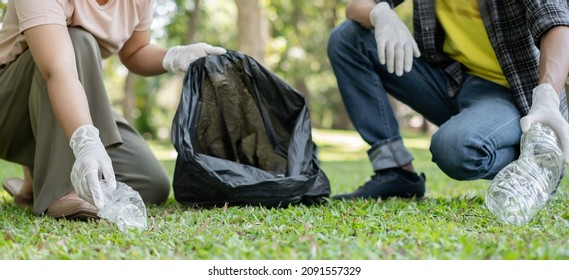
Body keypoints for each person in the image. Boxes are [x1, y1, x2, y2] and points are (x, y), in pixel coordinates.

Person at [0, 0, 226, 219]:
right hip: (10, 106)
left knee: (149, 182)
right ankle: (58, 191)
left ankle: (35, 180)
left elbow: (135, 52)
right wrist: (85, 142)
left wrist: (174, 57)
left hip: (69, 91)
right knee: (78, 38)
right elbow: (58, 70)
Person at [327, 0, 569, 200]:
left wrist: (547, 95)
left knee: (455, 149)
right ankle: (396, 172)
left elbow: (557, 23)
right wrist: (379, 12)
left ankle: (541, 162)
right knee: (348, 38)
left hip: (514, 93)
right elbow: (355, 5)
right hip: (452, 79)